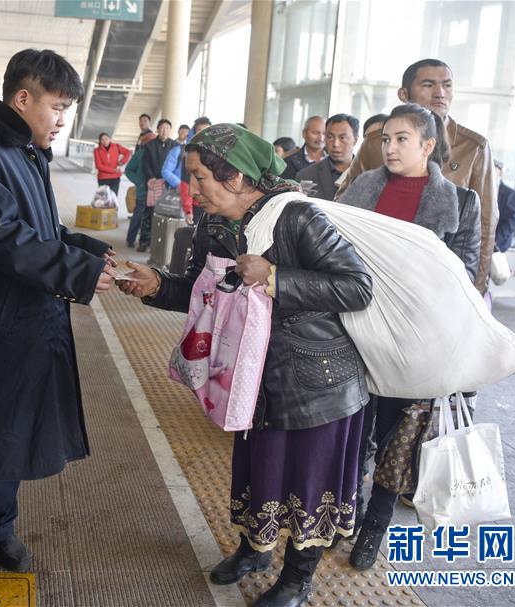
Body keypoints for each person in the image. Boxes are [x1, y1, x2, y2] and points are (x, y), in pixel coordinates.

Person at [119, 124, 373, 607]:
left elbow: (357, 286)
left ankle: (298, 579)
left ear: (234, 176)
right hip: (252, 374)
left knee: (308, 480)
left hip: (316, 380)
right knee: (260, 468)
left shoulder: (296, 217)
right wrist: (156, 285)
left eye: (199, 177)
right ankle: (255, 549)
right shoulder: (215, 226)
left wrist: (276, 276)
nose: (191, 188)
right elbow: (201, 290)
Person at [0, 49, 117, 607]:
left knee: (9, 443)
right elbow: (2, 238)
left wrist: (94, 255)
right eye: (58, 107)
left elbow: (45, 229)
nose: (63, 119)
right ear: (23, 99)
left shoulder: (24, 152)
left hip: (28, 325)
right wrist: (78, 271)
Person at [338, 104, 480, 572]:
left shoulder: (459, 202)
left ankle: (376, 522)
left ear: (427, 145)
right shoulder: (362, 188)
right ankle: (346, 510)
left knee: (395, 434)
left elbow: (462, 276)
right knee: (353, 431)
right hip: (356, 327)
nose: (392, 147)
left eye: (403, 138)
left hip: (413, 337)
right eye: (386, 139)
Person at [337, 59, 496, 293]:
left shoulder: (474, 147)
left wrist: (475, 294)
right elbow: (343, 206)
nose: (440, 93)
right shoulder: (374, 143)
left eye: (447, 85)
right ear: (404, 93)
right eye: (428, 85)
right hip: (366, 282)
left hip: (435, 288)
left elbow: (485, 224)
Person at [295, 114, 359, 200]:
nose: (335, 144)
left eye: (342, 138)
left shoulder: (368, 176)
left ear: (355, 140)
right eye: (330, 137)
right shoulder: (306, 176)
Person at [138, 118, 179, 252]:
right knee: (149, 213)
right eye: (162, 128)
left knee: (166, 213)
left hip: (168, 186)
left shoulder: (175, 146)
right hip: (153, 184)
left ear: (170, 130)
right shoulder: (149, 145)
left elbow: (178, 167)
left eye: (167, 128)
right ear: (157, 130)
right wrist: (153, 179)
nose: (164, 130)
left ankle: (162, 244)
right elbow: (145, 165)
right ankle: (144, 241)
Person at [162, 116, 212, 224]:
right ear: (194, 133)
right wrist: (188, 210)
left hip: (215, 206)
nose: (203, 134)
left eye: (207, 131)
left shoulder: (217, 154)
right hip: (198, 205)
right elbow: (186, 184)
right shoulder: (188, 155)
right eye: (199, 131)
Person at [124, 131, 158, 248]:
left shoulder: (159, 153)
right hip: (143, 192)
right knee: (138, 216)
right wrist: (140, 183)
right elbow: (128, 170)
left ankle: (148, 242)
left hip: (156, 192)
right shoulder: (139, 154)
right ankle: (130, 239)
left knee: (151, 218)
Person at [494, 159, 515, 253]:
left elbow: (512, 221)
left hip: (499, 245)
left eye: (494, 169)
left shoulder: (510, 194)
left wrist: (496, 239)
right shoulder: (480, 190)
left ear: (500, 172)